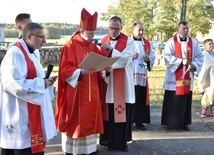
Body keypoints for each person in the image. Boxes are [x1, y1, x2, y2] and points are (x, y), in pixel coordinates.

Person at [0, 22, 57, 155]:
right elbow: (13, 83)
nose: (45, 41)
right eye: (41, 37)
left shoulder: (31, 53)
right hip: (20, 114)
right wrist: (41, 84)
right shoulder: (16, 52)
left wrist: (46, 83)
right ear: (29, 36)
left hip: (29, 112)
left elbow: (35, 78)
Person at [55, 8, 104, 155]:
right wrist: (80, 72)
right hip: (76, 91)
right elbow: (64, 69)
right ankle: (73, 150)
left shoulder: (94, 47)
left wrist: (105, 68)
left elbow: (100, 67)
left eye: (93, 33)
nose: (92, 36)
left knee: (91, 117)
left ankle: (90, 148)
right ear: (82, 30)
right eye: (90, 33)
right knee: (76, 120)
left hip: (92, 91)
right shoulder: (69, 45)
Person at [99, 16, 137, 152]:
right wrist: (106, 72)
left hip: (123, 84)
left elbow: (126, 60)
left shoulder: (129, 40)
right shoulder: (103, 41)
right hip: (108, 83)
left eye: (116, 28)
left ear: (121, 28)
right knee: (110, 114)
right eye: (111, 28)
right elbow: (100, 61)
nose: (113, 31)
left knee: (122, 112)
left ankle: (122, 143)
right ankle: (109, 141)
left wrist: (111, 50)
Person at [161, 21, 203, 131]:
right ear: (178, 29)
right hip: (174, 76)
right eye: (184, 28)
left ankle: (184, 122)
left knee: (185, 99)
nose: (186, 30)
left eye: (187, 28)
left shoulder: (193, 43)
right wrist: (181, 61)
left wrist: (193, 65)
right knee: (174, 99)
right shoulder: (171, 42)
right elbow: (167, 57)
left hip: (188, 74)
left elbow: (200, 57)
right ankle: (173, 123)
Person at [131, 22, 156, 130]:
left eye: (142, 30)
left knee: (140, 97)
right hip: (130, 75)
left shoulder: (146, 43)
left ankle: (139, 121)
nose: (141, 32)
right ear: (133, 30)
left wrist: (148, 59)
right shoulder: (127, 42)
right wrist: (130, 55)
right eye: (139, 30)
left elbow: (153, 56)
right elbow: (120, 55)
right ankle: (129, 120)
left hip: (141, 75)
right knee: (130, 98)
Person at [198, 39, 214, 117]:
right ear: (205, 46)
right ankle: (204, 108)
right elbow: (199, 66)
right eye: (209, 44)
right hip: (205, 78)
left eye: (212, 44)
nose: (211, 45)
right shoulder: (202, 55)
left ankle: (212, 108)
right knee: (205, 93)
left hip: (213, 77)